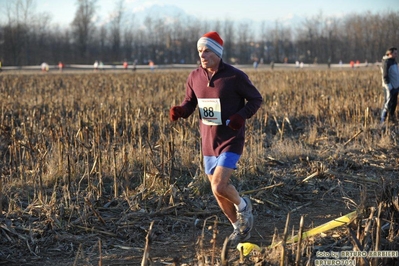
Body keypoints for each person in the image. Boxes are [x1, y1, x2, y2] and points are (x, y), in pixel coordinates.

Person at [169, 31, 263, 248]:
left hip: (231, 139)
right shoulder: (194, 76)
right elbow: (190, 102)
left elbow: (256, 99)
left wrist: (241, 116)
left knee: (220, 186)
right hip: (208, 140)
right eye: (200, 51)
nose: (202, 55)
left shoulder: (234, 76)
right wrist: (181, 111)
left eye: (207, 50)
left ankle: (243, 207)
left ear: (218, 52)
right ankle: (239, 228)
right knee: (216, 190)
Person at [380, 47, 399, 123]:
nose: (396, 54)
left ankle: (391, 118)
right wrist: (388, 85)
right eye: (395, 53)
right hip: (389, 87)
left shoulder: (394, 62)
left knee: (394, 103)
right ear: (389, 54)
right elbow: (385, 75)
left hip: (396, 86)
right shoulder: (386, 62)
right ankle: (382, 120)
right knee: (387, 103)